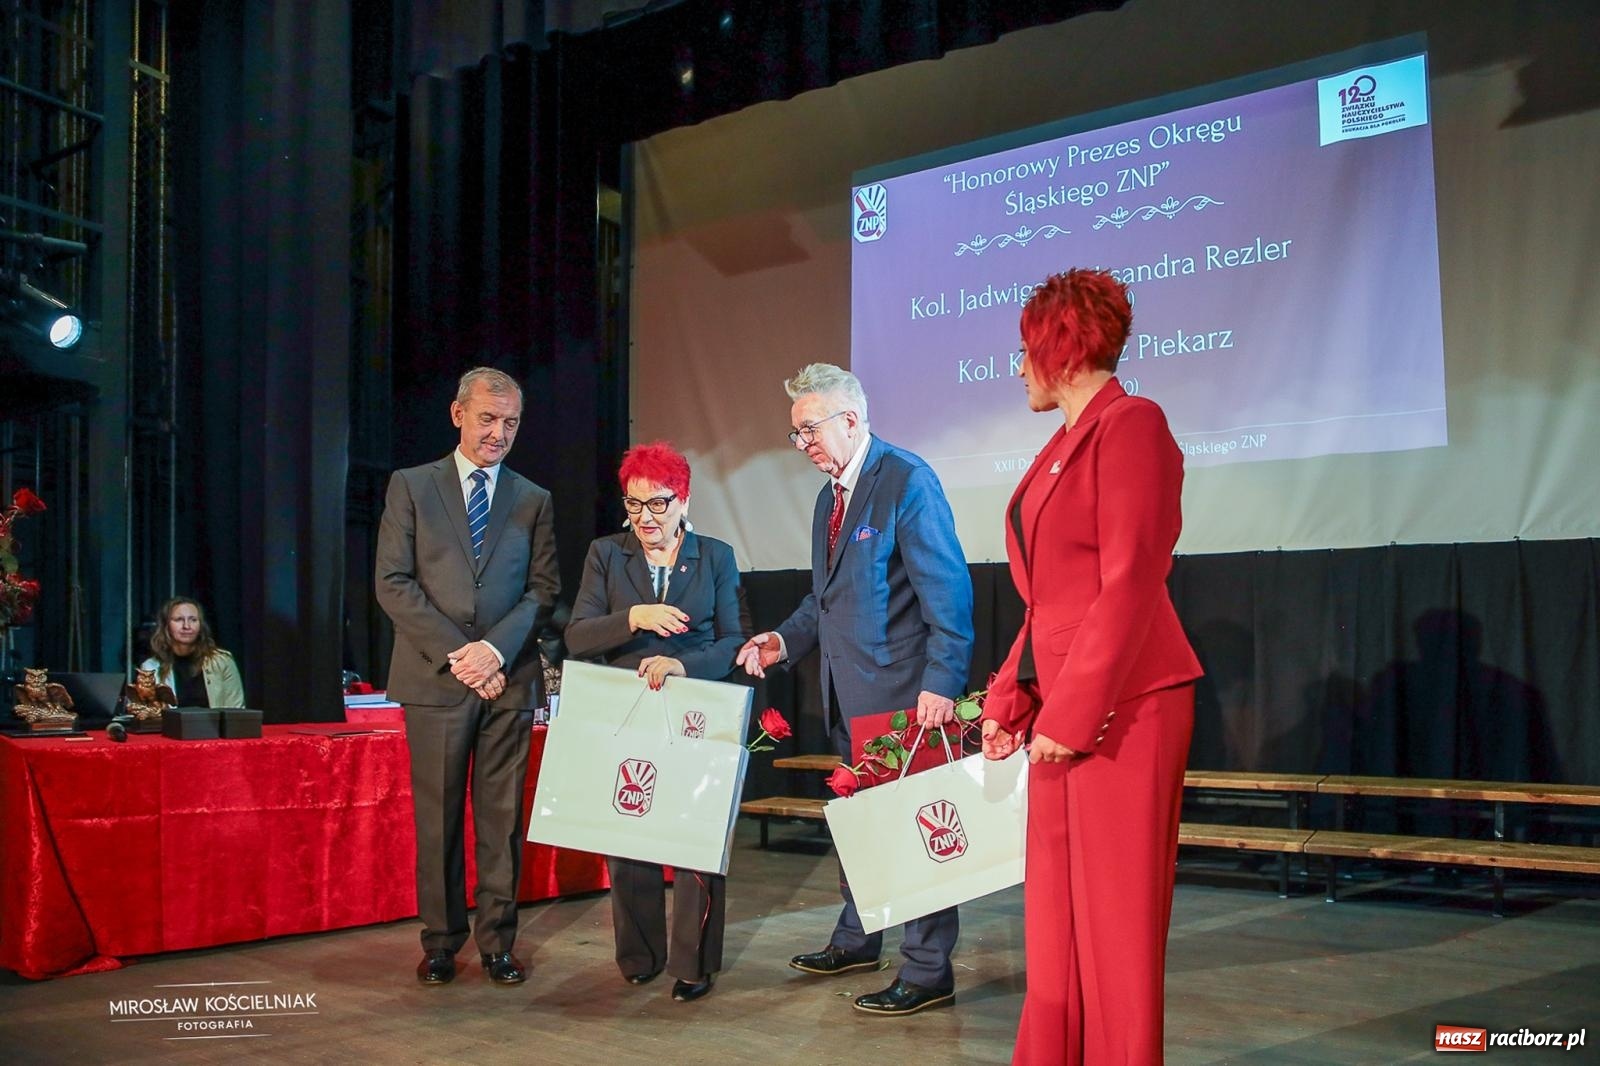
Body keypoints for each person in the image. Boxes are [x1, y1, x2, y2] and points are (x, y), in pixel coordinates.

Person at [980, 269, 1203, 1064]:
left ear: (1058, 348)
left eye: (1022, 351)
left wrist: (1072, 716)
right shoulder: (1061, 444)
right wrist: (1011, 698)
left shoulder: (1133, 423)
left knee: (1115, 925)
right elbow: (1051, 600)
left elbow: (1131, 579)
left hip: (1128, 706)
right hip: (1067, 707)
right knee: (1055, 922)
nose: (1016, 368)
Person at [737, 363, 974, 1017]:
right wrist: (782, 641)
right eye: (795, 433)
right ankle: (859, 937)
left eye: (808, 428)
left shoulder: (906, 479)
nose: (802, 443)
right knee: (860, 830)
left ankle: (928, 971)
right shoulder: (829, 500)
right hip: (847, 696)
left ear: (849, 420)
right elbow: (825, 601)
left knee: (919, 836)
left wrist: (942, 685)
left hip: (907, 701)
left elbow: (948, 592)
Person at [374, 366, 560, 987]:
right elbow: (392, 582)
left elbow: (542, 592)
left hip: (507, 680)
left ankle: (498, 943)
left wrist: (495, 654)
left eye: (510, 423)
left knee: (501, 820)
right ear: (458, 414)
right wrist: (462, 653)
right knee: (439, 817)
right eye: (488, 419)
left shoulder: (534, 499)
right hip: (436, 679)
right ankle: (440, 942)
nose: (498, 433)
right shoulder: (410, 485)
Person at [565, 442, 748, 1004]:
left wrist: (683, 664)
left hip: (695, 715)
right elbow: (577, 635)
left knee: (695, 845)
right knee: (631, 835)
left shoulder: (715, 556)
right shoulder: (605, 554)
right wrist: (634, 618)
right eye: (635, 505)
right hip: (628, 714)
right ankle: (640, 956)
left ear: (683, 499)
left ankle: (693, 965)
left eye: (659, 504)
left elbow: (733, 643)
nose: (646, 518)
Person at [140, 597, 245, 708]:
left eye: (193, 620)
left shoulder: (222, 662)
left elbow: (236, 712)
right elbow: (148, 718)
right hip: (172, 726)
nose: (187, 626)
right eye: (179, 619)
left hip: (215, 725)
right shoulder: (150, 668)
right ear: (166, 626)